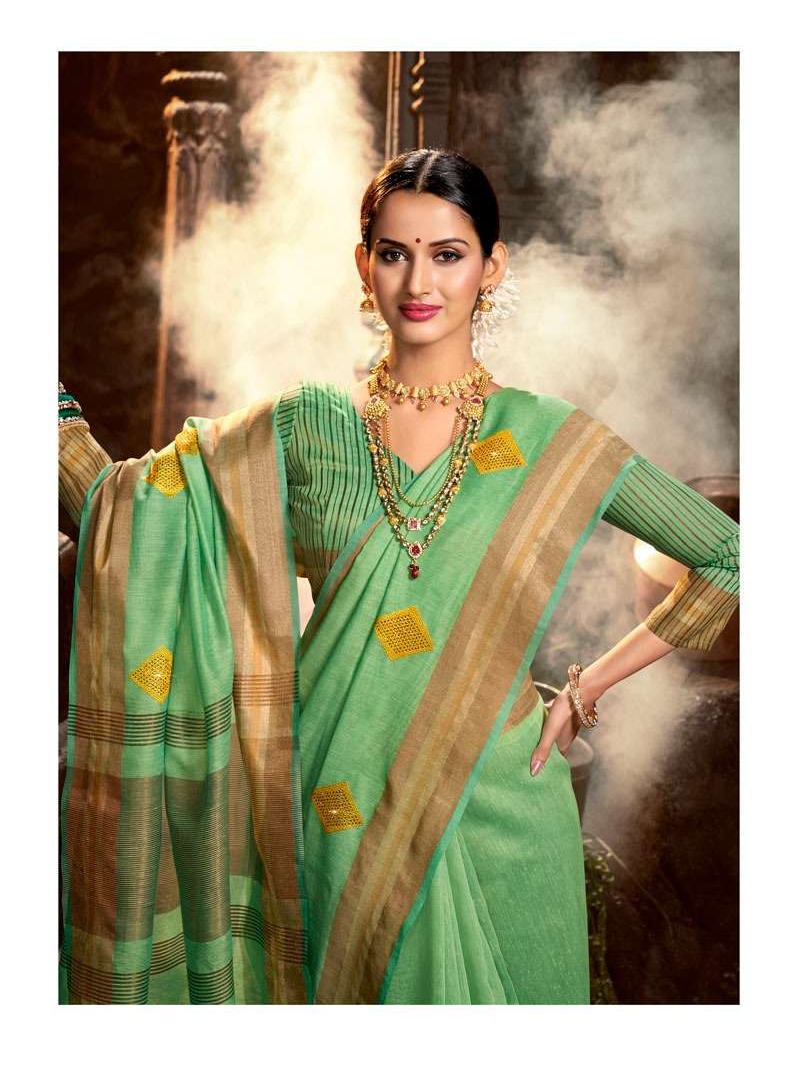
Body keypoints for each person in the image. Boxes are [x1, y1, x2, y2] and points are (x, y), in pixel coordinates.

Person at [58, 147, 740, 1005]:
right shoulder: (305, 428)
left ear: (492, 267)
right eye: (394, 253)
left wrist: (583, 690)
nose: (419, 282)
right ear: (363, 265)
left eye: (448, 254)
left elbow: (729, 556)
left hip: (502, 811)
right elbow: (139, 518)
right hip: (331, 801)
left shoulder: (550, 441)